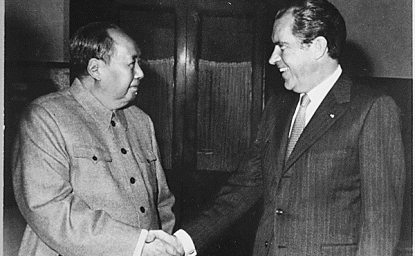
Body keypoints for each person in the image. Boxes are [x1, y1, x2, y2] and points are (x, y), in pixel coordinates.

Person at [181, 0, 406, 255]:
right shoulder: (277, 108)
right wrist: (183, 242)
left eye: (282, 46)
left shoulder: (372, 109)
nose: (272, 58)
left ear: (318, 47)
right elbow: (245, 186)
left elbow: (381, 225)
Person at [12, 22, 196, 256]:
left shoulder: (142, 122)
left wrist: (164, 246)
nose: (140, 73)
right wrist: (137, 246)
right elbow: (49, 209)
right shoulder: (45, 118)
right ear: (95, 69)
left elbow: (162, 204)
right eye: (132, 63)